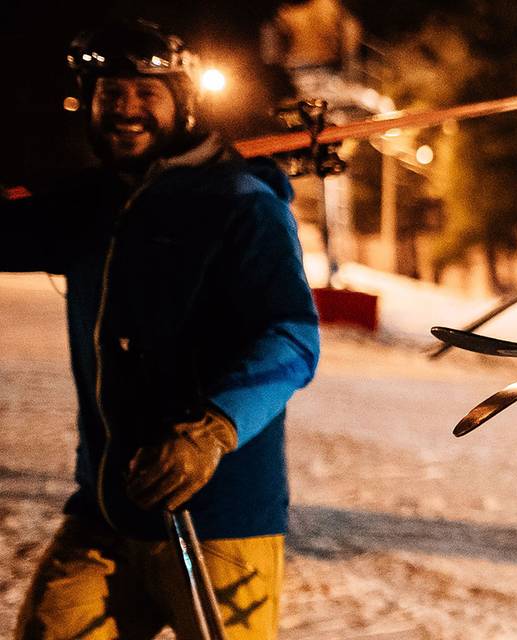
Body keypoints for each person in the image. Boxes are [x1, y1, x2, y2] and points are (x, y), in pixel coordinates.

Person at [5, 20, 320, 640]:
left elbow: (292, 336)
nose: (126, 109)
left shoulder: (241, 202)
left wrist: (213, 429)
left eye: (147, 93)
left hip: (221, 520)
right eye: (109, 93)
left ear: (183, 102)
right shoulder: (92, 204)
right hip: (107, 510)